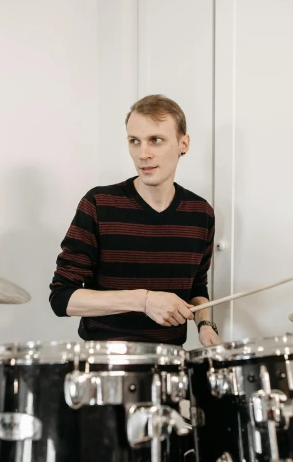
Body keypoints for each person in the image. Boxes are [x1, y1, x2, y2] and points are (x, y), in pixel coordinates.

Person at [49, 94, 223, 347]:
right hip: (105, 363)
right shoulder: (98, 204)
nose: (143, 154)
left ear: (183, 144)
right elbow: (62, 298)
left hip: (170, 364)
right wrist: (144, 301)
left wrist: (205, 325)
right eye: (134, 141)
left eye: (156, 140)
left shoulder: (201, 213)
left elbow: (197, 288)